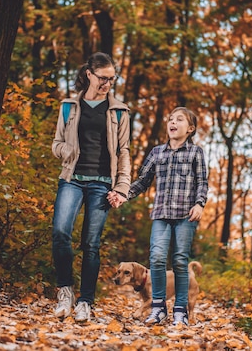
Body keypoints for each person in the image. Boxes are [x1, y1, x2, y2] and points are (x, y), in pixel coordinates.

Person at [51, 52, 131, 323]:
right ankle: (65, 291)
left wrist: (122, 188)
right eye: (103, 78)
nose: (108, 83)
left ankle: (85, 301)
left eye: (112, 79)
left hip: (102, 183)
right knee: (61, 231)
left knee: (91, 243)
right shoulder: (69, 107)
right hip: (72, 179)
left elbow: (124, 152)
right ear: (89, 74)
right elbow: (56, 144)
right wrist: (68, 150)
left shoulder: (119, 111)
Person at [112, 107, 208, 327]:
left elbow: (202, 182)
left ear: (190, 128)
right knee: (156, 258)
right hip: (161, 214)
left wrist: (199, 204)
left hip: (186, 214)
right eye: (170, 119)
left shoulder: (196, 153)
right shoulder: (157, 153)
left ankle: (181, 311)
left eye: (179, 119)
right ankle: (158, 309)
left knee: (180, 261)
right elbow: (143, 181)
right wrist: (123, 194)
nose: (173, 122)